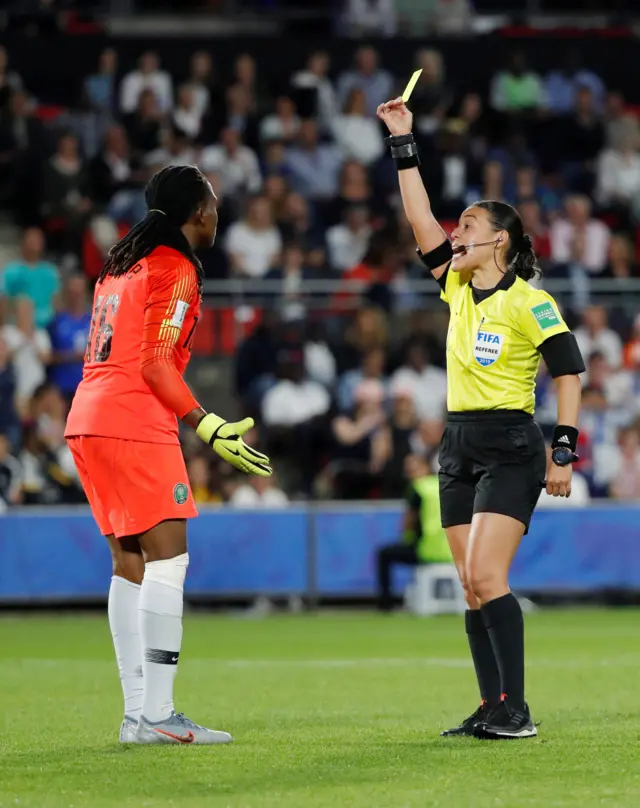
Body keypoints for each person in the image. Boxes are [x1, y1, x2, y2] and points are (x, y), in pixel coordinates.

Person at [378, 97, 585, 740]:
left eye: (466, 224)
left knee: (489, 576)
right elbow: (418, 221)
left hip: (509, 443)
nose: (453, 233)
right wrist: (403, 144)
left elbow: (569, 374)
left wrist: (563, 449)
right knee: (469, 583)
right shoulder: (457, 286)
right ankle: (493, 704)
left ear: (500, 238)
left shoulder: (530, 301)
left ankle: (516, 711)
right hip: (458, 441)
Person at [64, 165, 272, 746]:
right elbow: (155, 362)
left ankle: (137, 716)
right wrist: (207, 425)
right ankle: (158, 713)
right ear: (196, 213)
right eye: (211, 202)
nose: (217, 211)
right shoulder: (175, 266)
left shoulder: (120, 264)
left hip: (89, 418)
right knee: (168, 561)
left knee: (128, 564)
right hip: (134, 420)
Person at [376, 453, 452, 611]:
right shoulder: (443, 485)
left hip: (426, 550)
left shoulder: (417, 489)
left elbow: (408, 523)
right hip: (452, 552)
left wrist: (407, 537)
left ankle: (385, 605)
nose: (410, 473)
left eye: (413, 469)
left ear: (425, 467)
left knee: (383, 554)